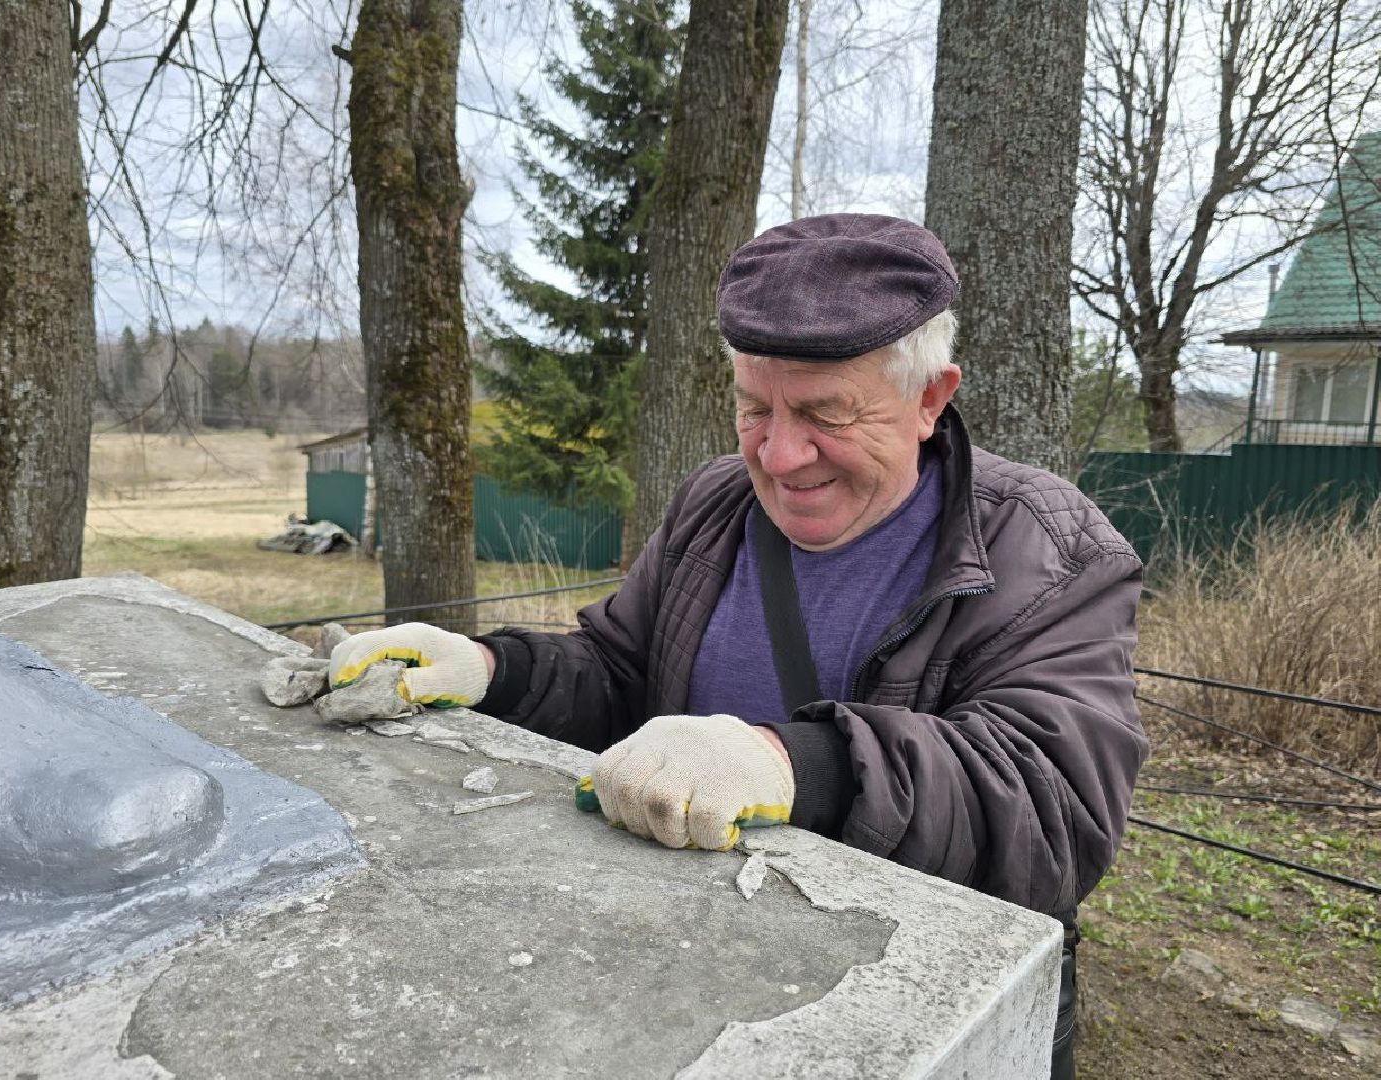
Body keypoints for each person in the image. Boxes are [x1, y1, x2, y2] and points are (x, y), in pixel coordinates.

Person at [328, 213, 1149, 1078]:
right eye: (754, 408)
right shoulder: (715, 504)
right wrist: (492, 669)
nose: (781, 456)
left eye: (827, 413)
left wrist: (793, 764)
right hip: (717, 968)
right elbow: (618, 672)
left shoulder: (1051, 549)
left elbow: (1054, 810)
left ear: (930, 400)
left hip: (932, 1005)